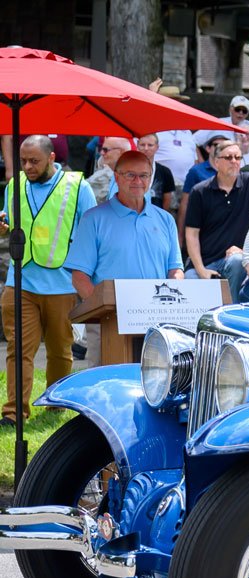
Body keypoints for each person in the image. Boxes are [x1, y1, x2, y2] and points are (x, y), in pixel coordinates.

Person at [0, 135, 96, 424]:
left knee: (59, 351)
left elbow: (91, 233)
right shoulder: (15, 185)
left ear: (52, 158)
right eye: (23, 161)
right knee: (18, 350)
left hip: (61, 284)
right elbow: (11, 225)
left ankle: (56, 405)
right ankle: (14, 413)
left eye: (34, 161)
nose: (27, 166)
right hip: (20, 282)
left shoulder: (79, 186)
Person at [67, 149, 184, 302]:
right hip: (109, 319)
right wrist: (101, 310)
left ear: (150, 178)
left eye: (144, 175)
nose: (138, 181)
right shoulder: (93, 219)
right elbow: (79, 277)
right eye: (130, 175)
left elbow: (175, 269)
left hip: (156, 316)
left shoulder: (166, 219)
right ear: (116, 177)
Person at [184, 140, 249, 289]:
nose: (234, 161)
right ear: (216, 162)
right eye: (228, 157)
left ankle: (233, 310)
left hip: (239, 260)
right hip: (206, 262)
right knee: (190, 280)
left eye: (238, 157)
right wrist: (201, 270)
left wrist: (245, 252)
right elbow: (192, 234)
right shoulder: (199, 191)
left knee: (237, 261)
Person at [134, 134, 177, 213]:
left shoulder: (165, 172)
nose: (146, 148)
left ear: (157, 147)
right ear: (137, 145)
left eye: (150, 145)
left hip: (156, 217)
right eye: (142, 145)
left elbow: (167, 200)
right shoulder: (129, 170)